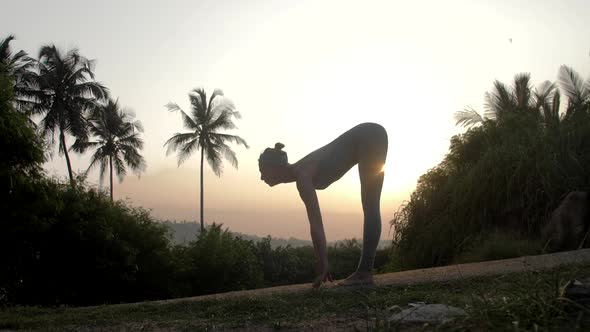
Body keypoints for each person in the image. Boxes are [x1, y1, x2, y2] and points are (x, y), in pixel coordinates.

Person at [258, 122, 388, 288]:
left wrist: (323, 261)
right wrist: (321, 260)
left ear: (274, 167)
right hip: (372, 135)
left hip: (370, 136)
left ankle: (364, 273)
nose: (261, 177)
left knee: (370, 204)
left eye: (262, 170)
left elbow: (315, 221)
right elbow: (316, 222)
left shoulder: (303, 176)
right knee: (370, 204)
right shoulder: (302, 171)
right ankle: (365, 272)